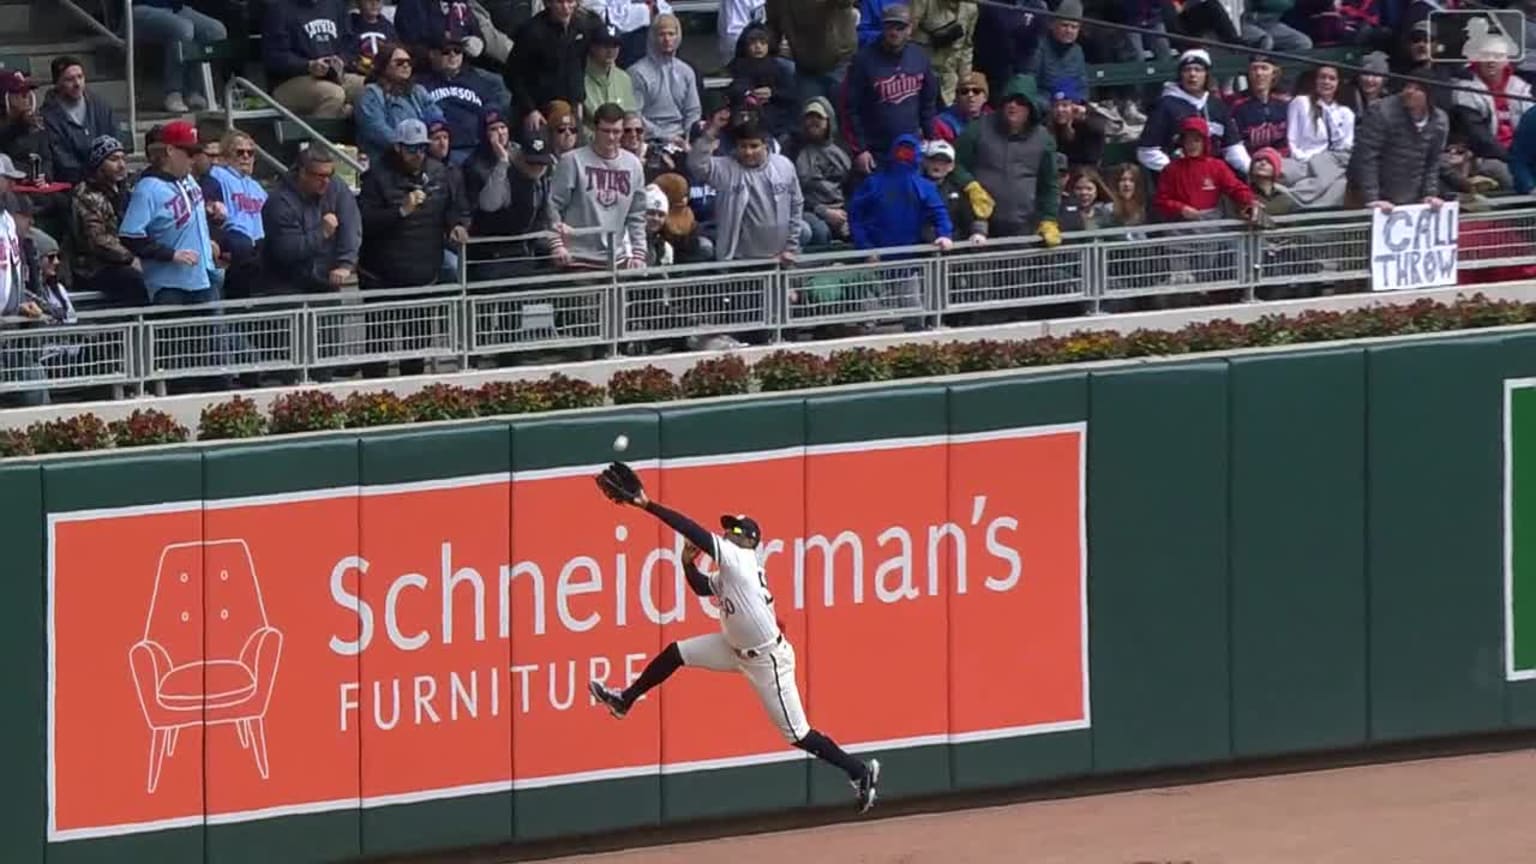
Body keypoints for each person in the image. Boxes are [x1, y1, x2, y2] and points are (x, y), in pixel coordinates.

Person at [586, 462, 882, 815]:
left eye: (735, 530)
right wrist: (686, 564)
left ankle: (859, 771)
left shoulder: (740, 558)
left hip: (767, 662)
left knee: (797, 735)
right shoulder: (730, 569)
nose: (728, 533)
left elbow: (692, 530)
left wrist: (647, 505)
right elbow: (700, 587)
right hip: (733, 649)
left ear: (749, 540)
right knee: (676, 653)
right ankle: (626, 700)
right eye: (728, 528)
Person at [358, 118, 471, 376]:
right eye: (412, 149)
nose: (418, 154)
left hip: (423, 276)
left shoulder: (441, 172)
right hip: (381, 278)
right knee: (378, 348)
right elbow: (363, 222)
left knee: (417, 348)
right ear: (398, 147)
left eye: (422, 148)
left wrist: (458, 224)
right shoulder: (376, 177)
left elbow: (458, 206)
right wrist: (400, 211)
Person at [117, 120, 220, 306]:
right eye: (189, 153)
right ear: (170, 151)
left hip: (204, 277)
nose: (194, 159)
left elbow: (189, 220)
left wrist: (213, 216)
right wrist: (170, 254)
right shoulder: (147, 188)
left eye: (196, 153)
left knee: (209, 335)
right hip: (170, 287)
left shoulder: (189, 180)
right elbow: (130, 237)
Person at [951, 75, 1060, 245]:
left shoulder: (1044, 138)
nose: (1012, 105)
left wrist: (1049, 219)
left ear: (1030, 106)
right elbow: (954, 163)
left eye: (1020, 101)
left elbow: (1050, 183)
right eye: (1008, 100)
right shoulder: (977, 129)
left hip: (1024, 226)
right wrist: (970, 185)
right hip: (980, 226)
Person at [687, 114, 803, 263]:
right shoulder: (725, 168)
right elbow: (695, 164)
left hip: (780, 257)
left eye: (754, 146)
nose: (748, 152)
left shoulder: (784, 166)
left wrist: (791, 247)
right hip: (739, 259)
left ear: (765, 145)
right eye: (743, 146)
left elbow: (796, 204)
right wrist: (711, 132)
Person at [546, 102, 647, 268]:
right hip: (577, 258)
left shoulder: (633, 165)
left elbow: (637, 214)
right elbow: (553, 206)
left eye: (616, 132)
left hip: (616, 259)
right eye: (606, 131)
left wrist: (639, 253)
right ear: (594, 129)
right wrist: (557, 245)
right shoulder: (572, 161)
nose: (611, 137)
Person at [845, 4, 937, 174]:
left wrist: (931, 137)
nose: (894, 32)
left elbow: (928, 102)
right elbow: (850, 108)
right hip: (876, 152)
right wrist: (860, 149)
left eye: (900, 27)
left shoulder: (919, 56)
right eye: (889, 26)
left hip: (911, 147)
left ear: (910, 29)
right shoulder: (863, 60)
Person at [463, 115, 557, 275]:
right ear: (521, 157)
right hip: (493, 255)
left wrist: (556, 232)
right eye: (532, 163)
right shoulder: (504, 171)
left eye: (542, 163)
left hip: (527, 252)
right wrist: (503, 163)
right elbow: (489, 205)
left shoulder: (544, 176)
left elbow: (548, 211)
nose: (537, 168)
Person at [262, 146, 362, 296]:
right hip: (285, 285)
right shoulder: (280, 201)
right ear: (302, 173)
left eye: (330, 174)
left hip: (326, 280)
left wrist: (346, 264)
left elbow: (351, 226)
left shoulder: (337, 187)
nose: (327, 181)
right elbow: (286, 251)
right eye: (320, 176)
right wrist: (322, 233)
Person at [1137, 48, 1251, 179]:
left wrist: (1251, 170)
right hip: (1180, 180)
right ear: (1180, 75)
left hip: (1214, 176)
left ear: (1207, 74)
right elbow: (1146, 151)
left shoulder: (1217, 105)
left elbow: (1232, 146)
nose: (1192, 74)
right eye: (1187, 70)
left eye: (1198, 70)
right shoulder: (1165, 106)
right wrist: (1179, 173)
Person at [1348, 79, 1449, 209]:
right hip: (1374, 198)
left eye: (1418, 88)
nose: (1409, 91)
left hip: (1411, 198)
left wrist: (1429, 194)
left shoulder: (1439, 121)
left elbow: (1433, 161)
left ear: (1429, 95)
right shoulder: (1382, 111)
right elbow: (1366, 157)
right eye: (1408, 86)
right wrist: (1371, 198)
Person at [71, 136, 146, 306]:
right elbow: (97, 240)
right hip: (94, 266)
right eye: (113, 159)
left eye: (123, 159)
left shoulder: (125, 190)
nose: (121, 165)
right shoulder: (86, 195)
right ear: (98, 165)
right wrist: (130, 258)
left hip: (125, 257)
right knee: (134, 279)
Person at [418, 34, 512, 165]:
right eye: (446, 52)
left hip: (478, 148)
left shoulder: (480, 80)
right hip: (444, 153)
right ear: (432, 54)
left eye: (457, 51)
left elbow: (496, 108)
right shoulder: (421, 85)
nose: (453, 56)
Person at [264, 0, 367, 120]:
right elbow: (274, 57)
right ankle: (318, 138)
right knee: (333, 94)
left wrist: (342, 60)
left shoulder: (337, 5)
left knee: (370, 87)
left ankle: (374, 137)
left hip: (334, 75)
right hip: (289, 81)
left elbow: (351, 46)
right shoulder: (278, 8)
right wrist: (308, 66)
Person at [356, 40, 447, 167]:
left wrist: (434, 135)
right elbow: (376, 129)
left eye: (408, 62)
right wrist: (407, 147)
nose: (406, 66)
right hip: (385, 160)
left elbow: (434, 115)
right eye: (399, 63)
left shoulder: (417, 90)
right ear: (384, 65)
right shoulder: (371, 93)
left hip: (420, 154)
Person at [507, 0, 596, 130]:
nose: (565, 7)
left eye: (570, 1)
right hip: (539, 110)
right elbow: (513, 74)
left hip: (570, 107)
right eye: (559, 2)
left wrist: (578, 100)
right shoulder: (531, 31)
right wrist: (530, 109)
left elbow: (578, 67)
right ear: (548, 3)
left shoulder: (581, 27)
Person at [130, 0, 230, 114]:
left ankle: (194, 91)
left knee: (215, 30)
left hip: (176, 9)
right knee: (183, 28)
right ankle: (173, 92)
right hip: (138, 9)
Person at [40, 57, 121, 186]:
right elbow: (61, 158)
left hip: (107, 176)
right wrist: (90, 176)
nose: (77, 83)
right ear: (57, 83)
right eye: (69, 79)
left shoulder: (100, 105)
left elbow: (114, 139)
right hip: (72, 183)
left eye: (80, 77)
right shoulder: (49, 116)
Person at [208, 132, 267, 298]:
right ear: (226, 156)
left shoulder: (256, 187)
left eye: (250, 153)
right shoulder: (218, 175)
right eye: (240, 152)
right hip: (233, 237)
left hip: (259, 239)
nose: (246, 157)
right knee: (243, 247)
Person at [629, 14, 701, 145]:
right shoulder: (637, 72)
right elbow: (635, 113)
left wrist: (688, 138)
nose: (667, 39)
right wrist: (664, 136)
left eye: (671, 34)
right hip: (650, 139)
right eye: (662, 34)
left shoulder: (686, 71)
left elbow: (693, 110)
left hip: (683, 138)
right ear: (653, 37)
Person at [790, 98, 853, 246]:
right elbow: (793, 192)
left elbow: (852, 186)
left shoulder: (843, 149)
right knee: (820, 231)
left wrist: (847, 214)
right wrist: (823, 211)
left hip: (842, 207)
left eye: (818, 117)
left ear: (829, 120)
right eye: (809, 117)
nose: (813, 122)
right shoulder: (794, 150)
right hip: (810, 210)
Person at [584, 21, 639, 125]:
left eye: (615, 46)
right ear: (593, 47)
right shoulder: (580, 77)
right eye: (605, 45)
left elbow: (630, 115)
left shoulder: (624, 78)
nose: (610, 51)